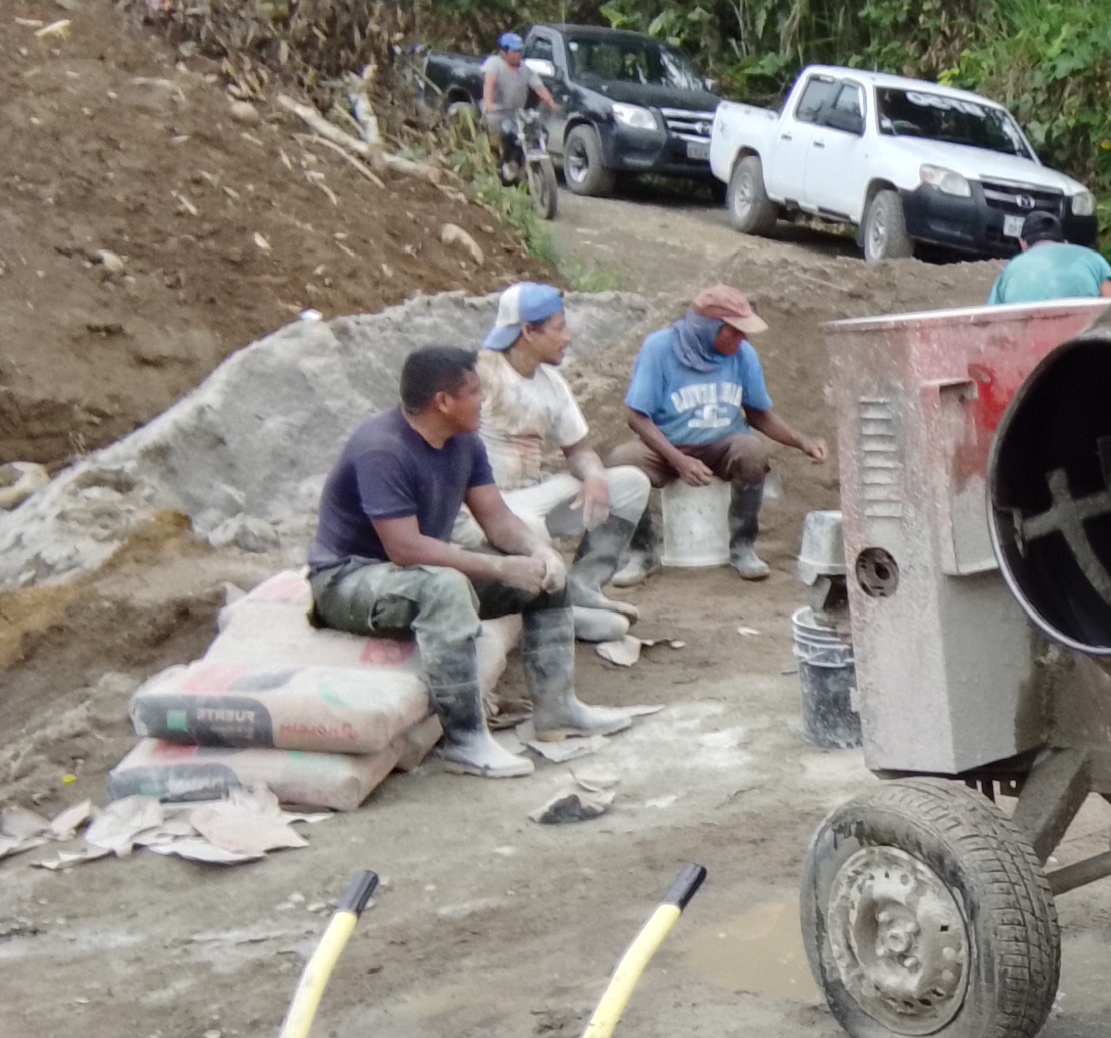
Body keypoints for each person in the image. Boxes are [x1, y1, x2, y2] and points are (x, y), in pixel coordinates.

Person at [308, 346, 638, 779]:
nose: (483, 399)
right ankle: (465, 740)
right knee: (446, 587)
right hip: (348, 579)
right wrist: (500, 569)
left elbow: (497, 519)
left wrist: (536, 552)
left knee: (540, 573)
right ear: (443, 402)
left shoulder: (464, 441)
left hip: (414, 572)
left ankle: (557, 710)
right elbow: (404, 548)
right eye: (475, 391)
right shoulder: (382, 449)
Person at [463, 282, 646, 638]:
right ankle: (556, 610)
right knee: (527, 526)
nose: (567, 337)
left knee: (630, 485)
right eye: (559, 328)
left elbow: (578, 449)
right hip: (486, 503)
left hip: (533, 488)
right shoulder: (478, 375)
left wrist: (594, 478)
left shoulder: (552, 383)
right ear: (528, 331)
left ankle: (583, 587)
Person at [611, 285, 827, 582]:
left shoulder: (743, 354)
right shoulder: (659, 348)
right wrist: (677, 460)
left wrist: (803, 441)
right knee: (623, 461)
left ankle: (742, 547)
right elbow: (636, 417)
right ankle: (642, 552)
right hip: (667, 446)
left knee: (752, 451)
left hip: (721, 445)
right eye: (735, 331)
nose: (743, 339)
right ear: (708, 326)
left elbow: (758, 413)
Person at [986, 213, 1111, 305]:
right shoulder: (1094, 259)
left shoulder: (1011, 267)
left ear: (1022, 244)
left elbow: (991, 318)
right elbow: (1110, 307)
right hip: (1080, 333)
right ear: (1065, 243)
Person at [479, 31, 557, 178]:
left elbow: (538, 86)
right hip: (497, 114)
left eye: (519, 51)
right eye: (514, 51)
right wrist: (489, 104)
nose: (518, 54)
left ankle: (520, 165)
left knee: (536, 133)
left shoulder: (524, 69)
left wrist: (551, 103)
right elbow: (489, 83)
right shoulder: (494, 64)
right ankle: (500, 167)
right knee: (503, 136)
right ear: (504, 52)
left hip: (516, 114)